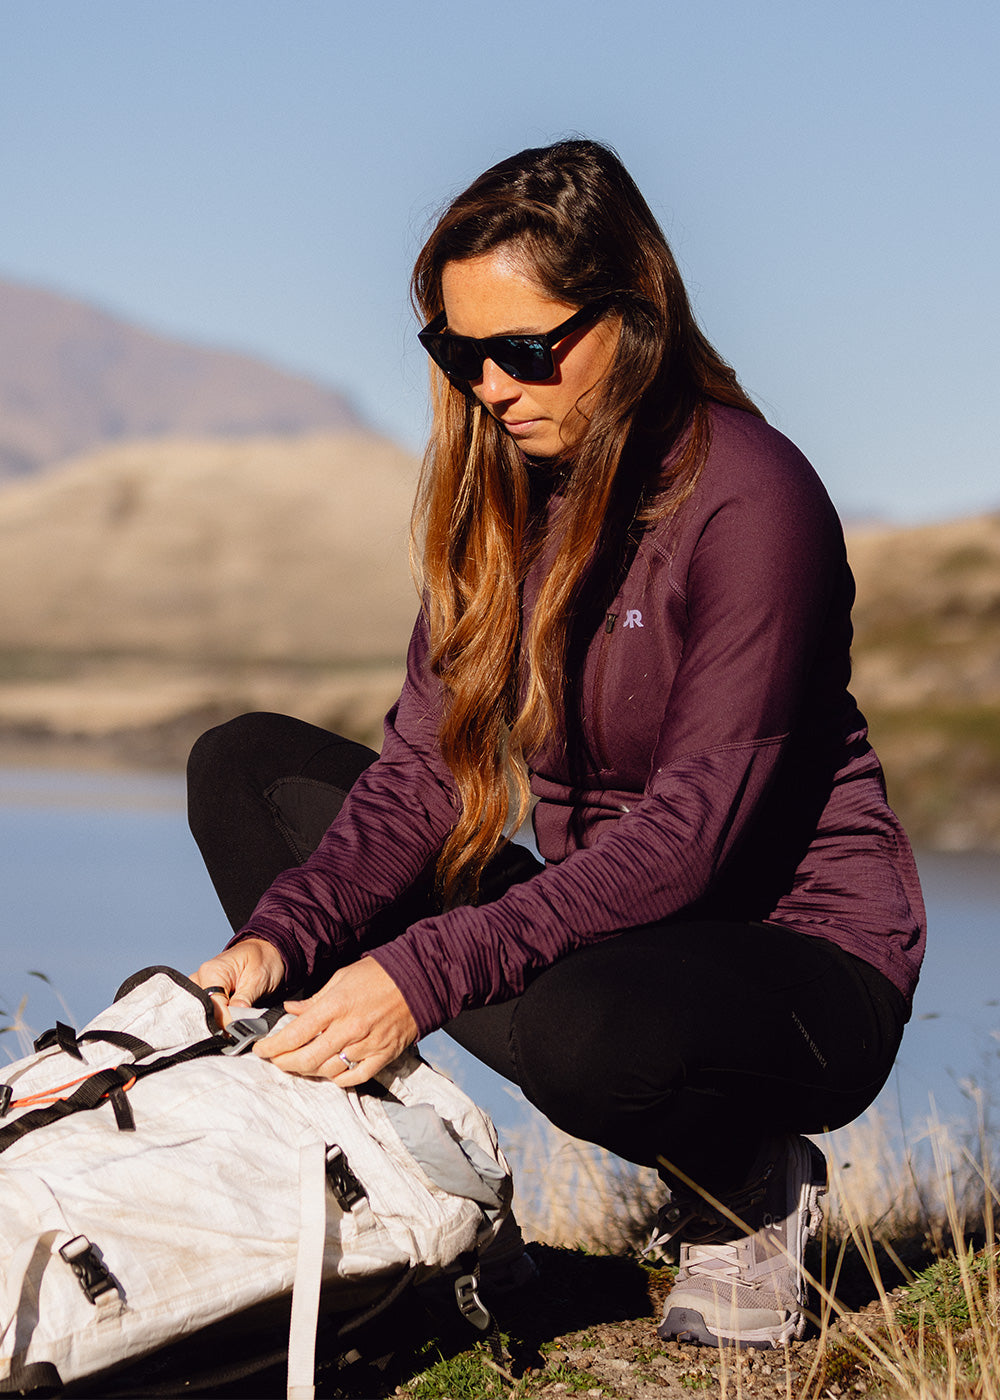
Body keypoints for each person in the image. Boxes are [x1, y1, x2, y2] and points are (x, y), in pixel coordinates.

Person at [189, 138, 926, 1349]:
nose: (490, 384)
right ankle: (402, 1170)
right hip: (610, 929)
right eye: (458, 350)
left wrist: (420, 973)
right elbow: (425, 771)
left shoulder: (755, 500)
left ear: (631, 317)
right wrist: (286, 934)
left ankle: (745, 1178)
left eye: (525, 351)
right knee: (248, 771)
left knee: (596, 1039)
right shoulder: (505, 492)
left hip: (791, 969)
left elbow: (690, 839)